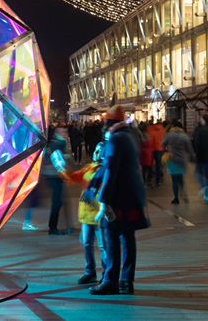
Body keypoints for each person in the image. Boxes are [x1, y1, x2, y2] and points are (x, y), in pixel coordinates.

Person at [89, 105, 150, 296]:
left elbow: (109, 170)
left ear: (111, 122)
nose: (104, 125)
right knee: (128, 238)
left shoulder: (115, 139)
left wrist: (103, 199)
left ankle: (110, 281)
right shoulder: (131, 136)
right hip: (133, 196)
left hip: (119, 198)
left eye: (106, 122)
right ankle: (126, 280)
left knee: (112, 236)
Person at [65, 142, 106, 284]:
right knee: (87, 244)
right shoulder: (89, 167)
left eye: (99, 151)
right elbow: (73, 178)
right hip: (87, 212)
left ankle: (107, 275)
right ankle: (90, 272)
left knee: (103, 247)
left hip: (101, 213)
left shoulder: (107, 169)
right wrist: (61, 167)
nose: (96, 153)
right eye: (95, 150)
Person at [41, 126, 72, 235]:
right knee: (57, 202)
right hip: (53, 176)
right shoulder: (56, 143)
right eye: (63, 131)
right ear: (58, 132)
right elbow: (54, 160)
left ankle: (66, 226)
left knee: (61, 201)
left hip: (57, 176)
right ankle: (53, 228)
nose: (66, 133)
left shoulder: (61, 143)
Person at [162, 120, 195, 204]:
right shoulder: (184, 136)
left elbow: (162, 144)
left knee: (174, 180)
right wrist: (193, 157)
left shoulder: (169, 135)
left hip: (172, 160)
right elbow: (189, 149)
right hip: (182, 160)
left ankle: (176, 198)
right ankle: (183, 193)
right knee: (180, 179)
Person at [146, 119, 166, 187]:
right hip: (159, 149)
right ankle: (158, 180)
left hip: (151, 149)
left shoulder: (149, 129)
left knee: (150, 164)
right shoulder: (162, 129)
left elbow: (148, 139)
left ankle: (150, 177)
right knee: (158, 165)